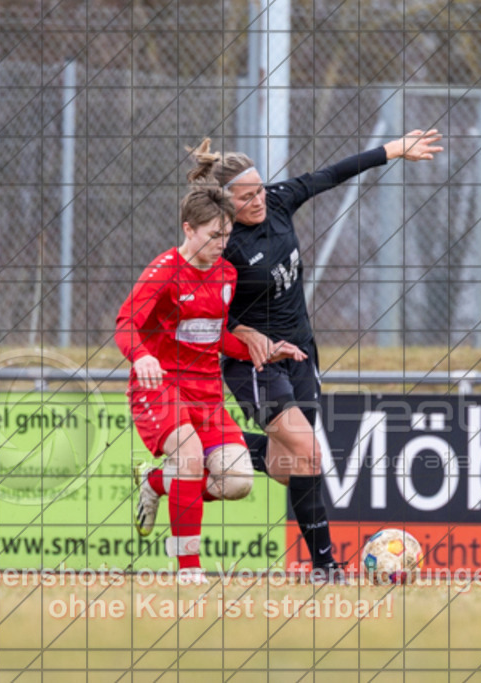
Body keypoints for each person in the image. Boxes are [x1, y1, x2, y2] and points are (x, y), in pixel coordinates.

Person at [185, 131, 444, 578]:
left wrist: (394, 150)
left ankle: (199, 453)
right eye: (246, 197)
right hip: (255, 365)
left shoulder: (280, 202)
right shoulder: (224, 246)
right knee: (310, 452)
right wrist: (242, 331)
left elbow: (332, 174)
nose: (258, 200)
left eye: (259, 189)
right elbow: (199, 310)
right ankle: (326, 567)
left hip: (302, 353)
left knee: (291, 467)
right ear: (226, 204)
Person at [115, 184, 305, 583]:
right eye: (213, 235)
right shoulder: (164, 272)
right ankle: (188, 570)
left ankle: (155, 481)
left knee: (236, 481)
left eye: (226, 234)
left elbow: (214, 335)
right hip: (160, 386)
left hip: (206, 392)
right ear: (188, 229)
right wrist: (142, 355)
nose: (222, 243)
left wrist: (262, 350)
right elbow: (125, 324)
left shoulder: (227, 274)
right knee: (187, 456)